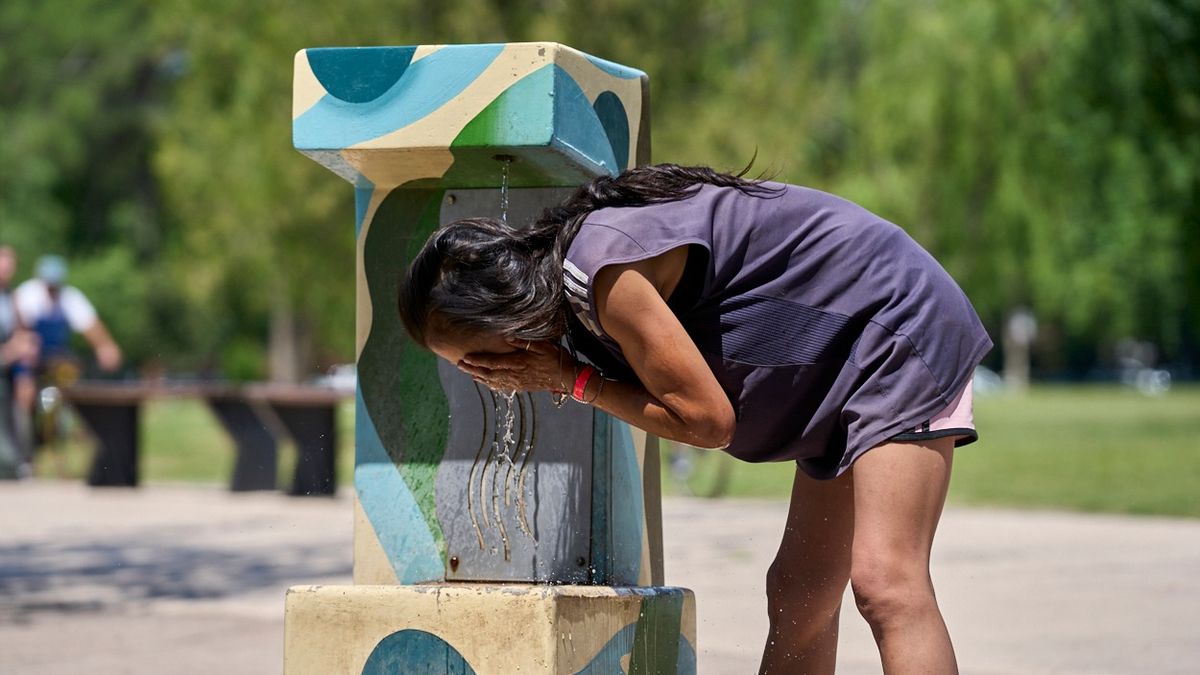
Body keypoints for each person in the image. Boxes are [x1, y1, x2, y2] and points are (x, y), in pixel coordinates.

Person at [398, 164, 992, 674]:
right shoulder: (576, 287)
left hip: (896, 328)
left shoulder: (600, 274)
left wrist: (574, 382)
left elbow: (707, 421)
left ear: (500, 325)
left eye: (473, 361)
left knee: (887, 584)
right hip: (836, 365)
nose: (481, 378)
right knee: (799, 593)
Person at [13, 255, 122, 460]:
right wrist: (24, 374)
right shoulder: (27, 295)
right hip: (30, 359)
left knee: (76, 384)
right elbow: (22, 337)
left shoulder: (69, 297)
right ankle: (24, 450)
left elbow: (90, 325)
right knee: (25, 396)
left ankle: (79, 424)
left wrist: (106, 347)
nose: (52, 289)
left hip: (58, 361)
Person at [0, 246, 39, 479]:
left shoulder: (10, 297)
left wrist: (24, 368)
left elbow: (21, 332)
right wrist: (11, 351)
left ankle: (20, 462)